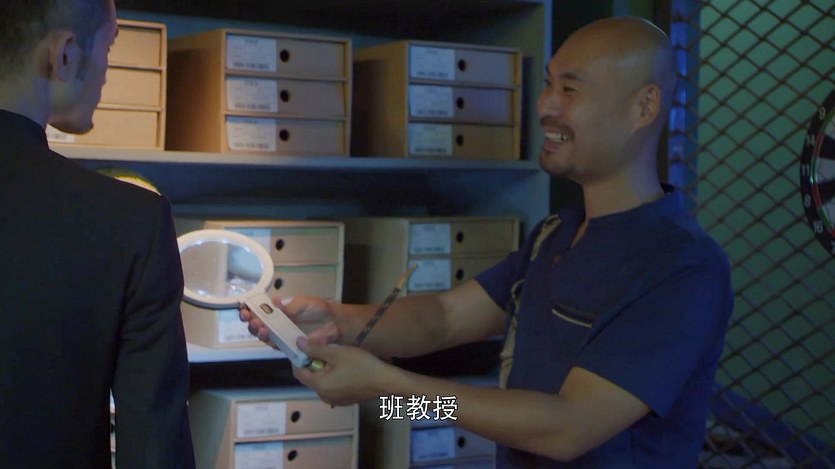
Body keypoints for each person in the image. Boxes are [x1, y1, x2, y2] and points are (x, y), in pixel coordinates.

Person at [242, 16, 733, 468]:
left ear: (644, 106)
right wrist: (337, 321)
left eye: (569, 89)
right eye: (547, 84)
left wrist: (387, 386)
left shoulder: (683, 269)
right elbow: (443, 318)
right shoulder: (557, 235)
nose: (545, 106)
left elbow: (567, 428)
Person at [0, 1, 195, 467]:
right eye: (108, 47)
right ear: (64, 54)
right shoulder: (131, 220)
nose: (107, 70)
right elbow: (154, 447)